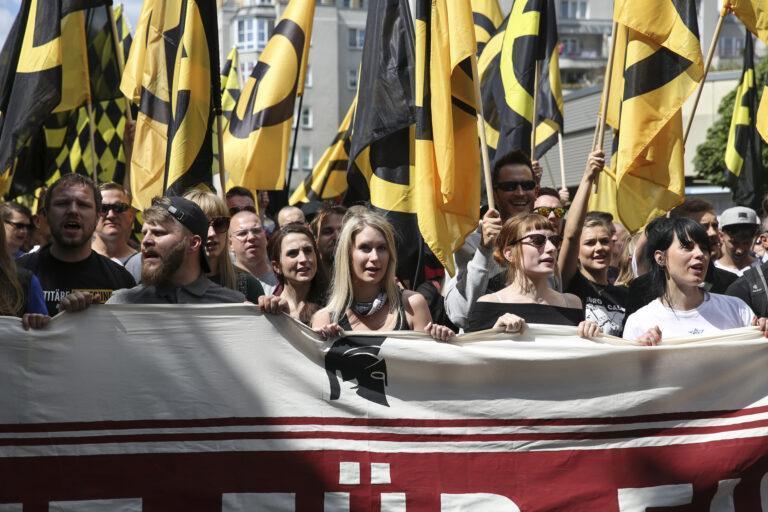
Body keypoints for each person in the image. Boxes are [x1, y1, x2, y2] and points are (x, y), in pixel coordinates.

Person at [59, 196, 246, 309]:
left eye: (158, 233)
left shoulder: (232, 305)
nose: (146, 241)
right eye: (145, 232)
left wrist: (271, 312)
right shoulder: (123, 303)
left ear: (193, 243)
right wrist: (78, 318)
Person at [311, 210, 454, 341]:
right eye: (365, 248)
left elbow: (428, 366)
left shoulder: (412, 304)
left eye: (382, 248)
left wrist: (443, 340)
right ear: (348, 254)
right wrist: (324, 344)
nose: (375, 257)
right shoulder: (324, 319)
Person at [623, 217, 767, 343]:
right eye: (687, 247)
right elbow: (628, 372)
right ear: (661, 258)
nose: (699, 254)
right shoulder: (639, 322)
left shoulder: (737, 309)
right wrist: (639, 353)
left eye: (704, 248)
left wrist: (763, 331)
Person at [443, 150, 540, 329]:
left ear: (536, 190)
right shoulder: (467, 242)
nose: (520, 193)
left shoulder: (544, 244)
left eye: (527, 185)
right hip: (486, 352)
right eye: (510, 187)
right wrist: (484, 250)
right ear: (495, 194)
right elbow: (460, 315)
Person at [16, 174, 135, 315]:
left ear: (97, 216)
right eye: (62, 204)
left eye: (83, 205)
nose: (73, 210)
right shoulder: (14, 274)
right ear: (46, 214)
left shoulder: (121, 280)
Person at [465, 213, 598, 338]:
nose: (551, 248)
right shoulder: (489, 304)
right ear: (510, 254)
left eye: (554, 240)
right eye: (537, 240)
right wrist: (494, 334)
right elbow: (471, 356)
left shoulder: (572, 304)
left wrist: (592, 336)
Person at [624, 199, 737, 320]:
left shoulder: (732, 284)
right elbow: (631, 335)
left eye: (715, 225)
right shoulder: (643, 288)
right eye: (702, 227)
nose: (712, 233)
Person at [184, 189, 265, 303]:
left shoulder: (247, 285)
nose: (211, 233)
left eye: (220, 223)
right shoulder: (167, 286)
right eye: (202, 224)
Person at [561, 213, 629, 337]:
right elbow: (571, 236)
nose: (599, 248)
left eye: (604, 241)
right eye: (590, 243)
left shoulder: (625, 295)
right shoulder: (569, 282)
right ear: (576, 250)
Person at [258, 224, 327, 324]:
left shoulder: (335, 304)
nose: (303, 259)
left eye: (308, 250)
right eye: (292, 253)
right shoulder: (269, 309)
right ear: (277, 266)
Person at [0, 220, 48, 329]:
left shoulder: (24, 281)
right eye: (19, 225)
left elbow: (44, 339)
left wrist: (36, 322)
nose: (24, 231)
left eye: (27, 227)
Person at [91, 183, 141, 283]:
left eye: (118, 207)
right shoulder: (75, 259)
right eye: (103, 208)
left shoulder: (145, 264)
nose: (111, 215)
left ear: (131, 215)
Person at [229, 208, 278, 294]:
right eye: (242, 233)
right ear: (230, 244)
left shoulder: (284, 278)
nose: (251, 237)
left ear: (265, 236)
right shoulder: (225, 283)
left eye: (256, 231)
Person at [715, 206, 761, 277]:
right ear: (721, 236)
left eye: (746, 243)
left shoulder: (762, 268)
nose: (740, 250)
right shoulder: (712, 271)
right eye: (734, 243)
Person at [311, 204, 346, 277]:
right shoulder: (306, 282)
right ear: (315, 239)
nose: (337, 237)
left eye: (343, 231)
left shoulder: (363, 280)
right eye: (328, 232)